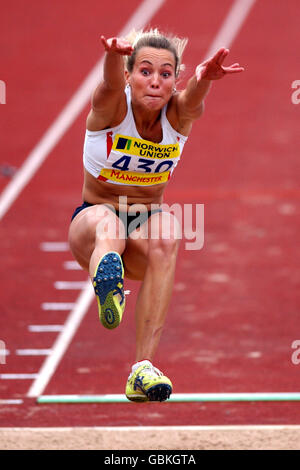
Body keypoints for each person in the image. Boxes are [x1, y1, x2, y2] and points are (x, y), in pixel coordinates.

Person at [68, 28, 244, 402]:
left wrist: (202, 79)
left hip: (143, 230)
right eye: (145, 71)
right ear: (131, 75)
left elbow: (193, 102)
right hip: (92, 222)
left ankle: (142, 369)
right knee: (109, 224)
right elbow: (110, 84)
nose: (155, 81)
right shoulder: (112, 106)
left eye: (166, 74)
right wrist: (114, 56)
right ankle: (108, 282)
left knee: (167, 228)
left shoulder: (177, 115)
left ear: (173, 81)